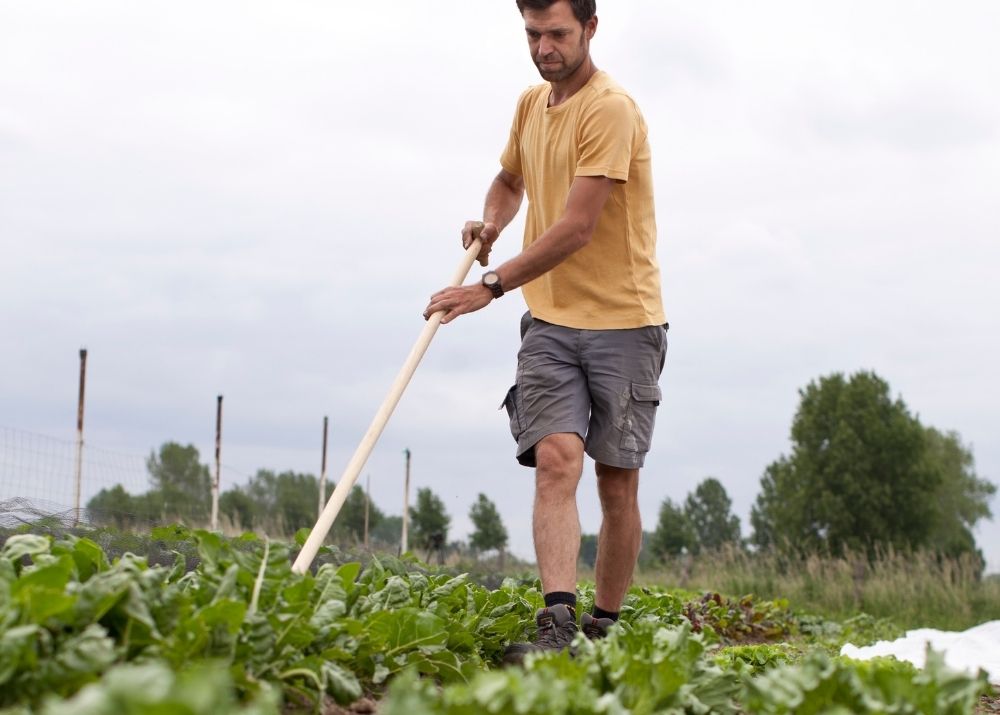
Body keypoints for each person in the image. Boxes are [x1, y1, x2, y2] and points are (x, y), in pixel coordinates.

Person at [422, 0, 667, 663]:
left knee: (617, 484)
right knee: (557, 461)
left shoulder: (609, 109)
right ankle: (557, 625)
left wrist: (491, 285)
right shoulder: (533, 105)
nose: (543, 47)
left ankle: (606, 625)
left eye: (557, 33)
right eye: (533, 34)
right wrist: (491, 222)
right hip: (551, 324)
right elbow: (509, 179)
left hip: (625, 320)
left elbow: (576, 226)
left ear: (590, 28)